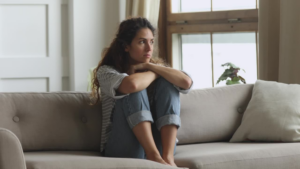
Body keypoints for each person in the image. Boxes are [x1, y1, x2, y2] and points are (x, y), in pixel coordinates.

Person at [91, 17, 193, 167]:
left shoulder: (155, 68)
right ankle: (153, 156)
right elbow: (132, 85)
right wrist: (157, 71)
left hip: (159, 146)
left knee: (168, 83)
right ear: (126, 46)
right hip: (122, 147)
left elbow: (186, 82)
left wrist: (152, 67)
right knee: (133, 85)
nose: (149, 48)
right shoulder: (106, 71)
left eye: (151, 41)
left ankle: (168, 157)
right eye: (142, 42)